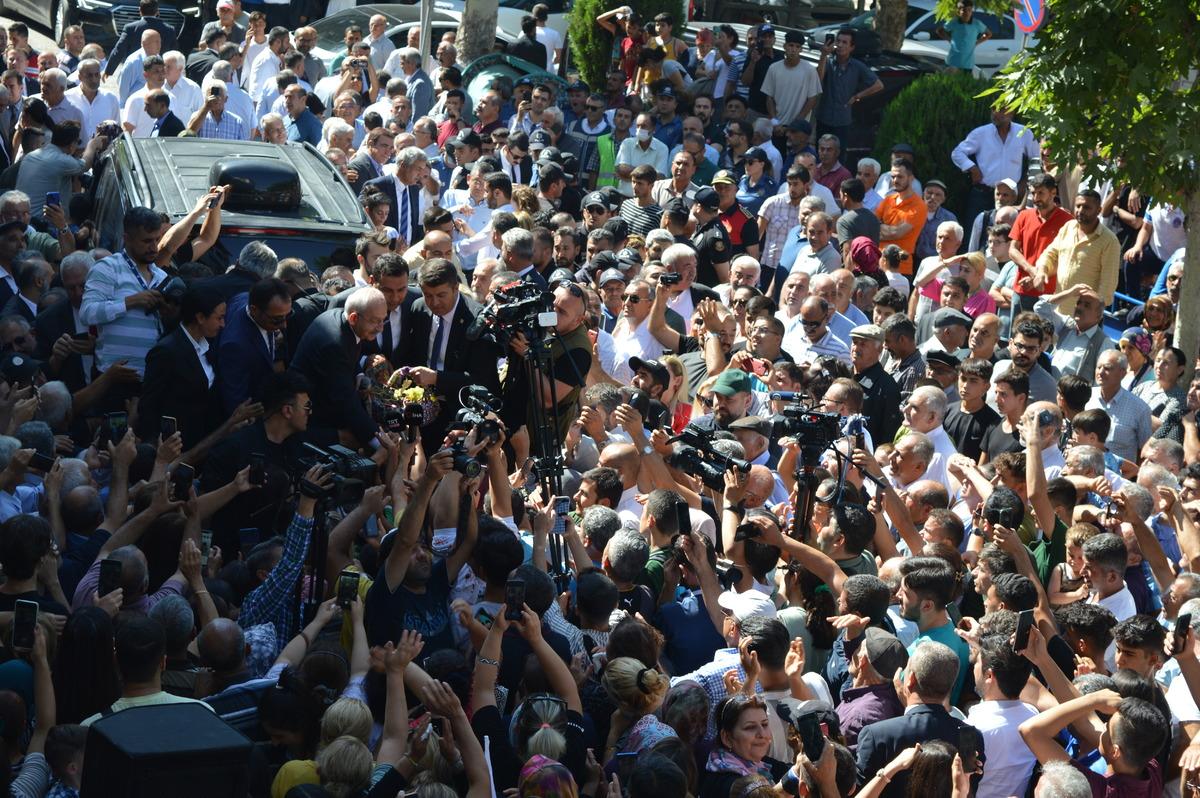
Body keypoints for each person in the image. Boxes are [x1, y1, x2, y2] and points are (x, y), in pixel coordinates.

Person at [288, 286, 387, 449]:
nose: (381, 327)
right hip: (311, 418)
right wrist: (378, 440)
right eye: (375, 321)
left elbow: (350, 352)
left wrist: (358, 375)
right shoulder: (334, 343)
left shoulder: (344, 319)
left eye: (383, 319)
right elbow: (345, 401)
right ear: (354, 318)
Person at [815, 28, 882, 145]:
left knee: (839, 156)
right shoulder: (829, 62)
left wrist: (857, 96)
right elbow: (818, 80)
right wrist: (823, 56)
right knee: (821, 153)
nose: (840, 45)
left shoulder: (857, 66)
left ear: (852, 47)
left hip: (843, 120)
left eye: (844, 42)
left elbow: (878, 85)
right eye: (838, 41)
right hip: (824, 118)